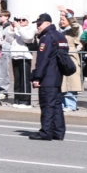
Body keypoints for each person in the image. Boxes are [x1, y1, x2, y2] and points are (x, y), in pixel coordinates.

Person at [30, 12, 68, 140]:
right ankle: (58, 131)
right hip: (57, 75)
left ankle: (46, 132)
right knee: (56, 104)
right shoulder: (60, 36)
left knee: (47, 104)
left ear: (47, 23)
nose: (38, 27)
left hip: (48, 76)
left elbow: (43, 59)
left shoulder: (46, 37)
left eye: (40, 24)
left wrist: (37, 77)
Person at [58, 7, 82, 110]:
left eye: (64, 19)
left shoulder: (73, 31)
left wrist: (67, 13)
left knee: (71, 82)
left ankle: (71, 105)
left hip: (71, 56)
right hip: (60, 56)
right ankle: (63, 104)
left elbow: (75, 25)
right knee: (62, 82)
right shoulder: (59, 31)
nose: (61, 21)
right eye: (61, 19)